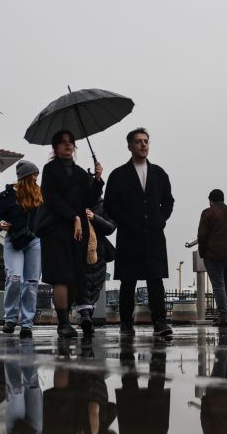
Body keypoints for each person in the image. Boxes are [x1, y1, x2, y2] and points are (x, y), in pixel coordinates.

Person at [103, 128, 175, 338]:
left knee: (155, 280)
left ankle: (160, 322)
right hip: (129, 235)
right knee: (128, 280)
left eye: (146, 141)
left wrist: (160, 219)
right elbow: (109, 204)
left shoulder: (159, 173)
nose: (144, 145)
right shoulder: (118, 175)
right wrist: (125, 221)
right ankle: (126, 323)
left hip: (153, 234)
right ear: (130, 146)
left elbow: (168, 201)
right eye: (138, 141)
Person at [39, 132, 104, 339]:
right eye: (63, 143)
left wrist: (97, 179)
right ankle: (63, 322)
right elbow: (52, 199)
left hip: (78, 232)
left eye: (70, 143)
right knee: (60, 276)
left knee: (77, 274)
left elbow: (90, 200)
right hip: (56, 228)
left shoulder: (79, 173)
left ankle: (79, 316)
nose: (68, 146)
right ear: (55, 148)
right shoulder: (49, 170)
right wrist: (73, 217)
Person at [0, 161, 43, 339]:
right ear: (23, 177)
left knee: (31, 282)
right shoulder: (6, 196)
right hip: (13, 241)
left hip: (34, 241)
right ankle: (11, 318)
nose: (36, 178)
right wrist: (0, 223)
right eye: (33, 175)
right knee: (14, 278)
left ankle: (27, 323)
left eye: (37, 174)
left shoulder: (40, 194)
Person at [197, 188, 227, 326]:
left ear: (210, 201)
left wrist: (203, 253)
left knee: (218, 284)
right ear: (223, 199)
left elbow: (202, 235)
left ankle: (223, 315)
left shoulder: (207, 213)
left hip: (214, 255)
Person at [74, 200, 117, 334]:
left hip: (99, 252)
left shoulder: (105, 205)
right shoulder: (75, 200)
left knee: (94, 286)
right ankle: (85, 315)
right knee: (81, 285)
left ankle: (87, 315)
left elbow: (110, 227)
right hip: (79, 249)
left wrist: (94, 218)